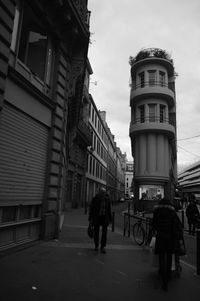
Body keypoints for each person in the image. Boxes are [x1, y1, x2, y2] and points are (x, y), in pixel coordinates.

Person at [152, 198, 182, 291]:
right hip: (170, 238)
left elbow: (154, 225)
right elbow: (177, 225)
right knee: (169, 258)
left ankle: (162, 273)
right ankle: (168, 276)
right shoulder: (172, 213)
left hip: (160, 237)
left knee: (161, 257)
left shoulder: (156, 212)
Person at [88, 187, 112, 254]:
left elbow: (109, 210)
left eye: (104, 192)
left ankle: (103, 247)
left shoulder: (107, 199)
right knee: (96, 232)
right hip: (97, 218)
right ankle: (96, 245)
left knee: (104, 233)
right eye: (101, 192)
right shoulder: (95, 199)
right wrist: (90, 219)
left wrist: (110, 219)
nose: (103, 194)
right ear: (99, 192)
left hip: (104, 218)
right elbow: (91, 209)